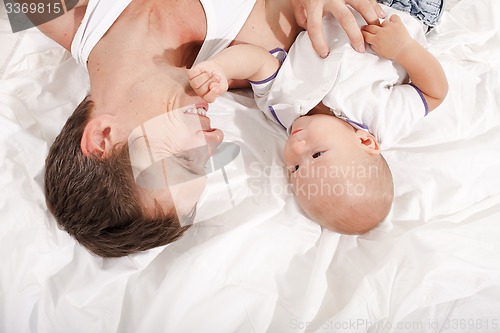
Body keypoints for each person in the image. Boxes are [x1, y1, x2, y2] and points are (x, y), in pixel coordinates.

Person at [35, 0, 385, 257]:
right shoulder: (252, 54)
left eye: (185, 159)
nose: (216, 137)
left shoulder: (57, 15)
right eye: (204, 162)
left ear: (103, 137)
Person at [187, 3, 448, 234]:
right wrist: (404, 49)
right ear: (366, 143)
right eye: (317, 154)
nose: (297, 149)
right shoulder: (381, 119)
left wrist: (222, 69)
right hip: (404, 11)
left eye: (296, 168)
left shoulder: (282, 107)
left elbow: (258, 63)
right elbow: (434, 92)